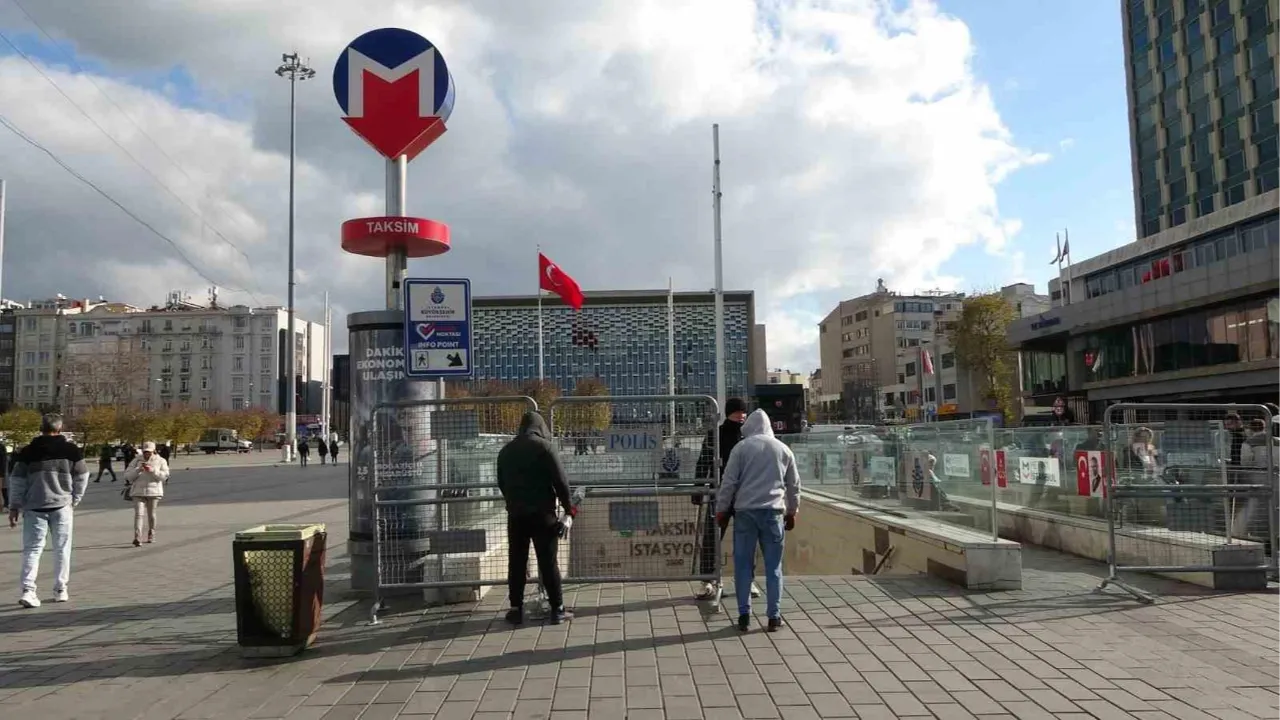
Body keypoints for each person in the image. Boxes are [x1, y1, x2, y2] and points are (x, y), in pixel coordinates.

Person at [716, 409, 800, 633]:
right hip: (773, 513)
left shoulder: (741, 448)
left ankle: (744, 615)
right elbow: (793, 485)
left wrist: (721, 509)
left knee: (743, 565)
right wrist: (792, 511)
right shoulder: (783, 449)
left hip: (745, 513)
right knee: (774, 567)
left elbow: (729, 482)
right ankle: (774, 616)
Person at [497, 412, 574, 626]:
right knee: (548, 562)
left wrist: (513, 501)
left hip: (516, 515)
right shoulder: (545, 448)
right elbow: (561, 482)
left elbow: (501, 482)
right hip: (543, 514)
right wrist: (569, 511)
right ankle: (557, 609)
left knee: (517, 562)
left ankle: (516, 609)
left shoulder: (506, 451)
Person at [7, 414, 90, 608]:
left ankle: (28, 591)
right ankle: (60, 589)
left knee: (32, 549)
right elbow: (83, 475)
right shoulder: (71, 450)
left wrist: (14, 506)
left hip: (34, 506)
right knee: (62, 549)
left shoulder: (27, 451)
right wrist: (75, 498)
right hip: (62, 505)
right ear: (59, 429)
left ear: (41, 428)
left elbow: (17, 480)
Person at [692, 397, 760, 601]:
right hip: (719, 493)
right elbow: (704, 461)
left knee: (747, 538)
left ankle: (747, 580)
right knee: (711, 537)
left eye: (744, 412)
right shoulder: (716, 434)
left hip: (745, 493)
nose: (742, 416)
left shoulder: (749, 435)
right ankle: (707, 580)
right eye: (738, 412)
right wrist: (698, 488)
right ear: (729, 413)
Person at [124, 441, 170, 547]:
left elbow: (164, 476)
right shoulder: (136, 460)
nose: (147, 454)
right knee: (138, 514)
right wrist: (138, 470)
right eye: (145, 452)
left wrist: (153, 470)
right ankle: (137, 537)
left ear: (154, 451)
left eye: (149, 452)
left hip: (154, 492)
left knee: (151, 514)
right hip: (138, 491)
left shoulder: (161, 460)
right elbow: (127, 476)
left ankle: (151, 533)